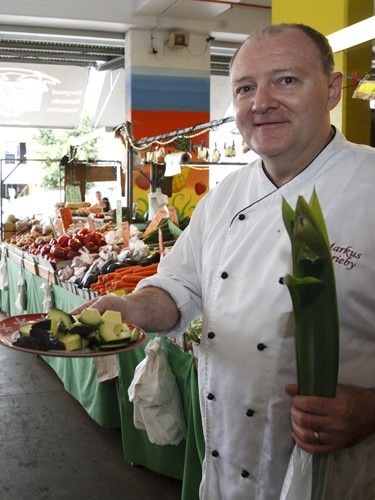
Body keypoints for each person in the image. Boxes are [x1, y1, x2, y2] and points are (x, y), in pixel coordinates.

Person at [71, 24, 375, 499]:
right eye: (246, 88)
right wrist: (131, 309)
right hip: (227, 463)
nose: (262, 102)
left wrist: (372, 409)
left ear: (333, 90)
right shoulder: (225, 196)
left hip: (339, 473)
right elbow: (177, 288)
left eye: (287, 81)